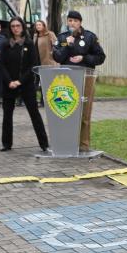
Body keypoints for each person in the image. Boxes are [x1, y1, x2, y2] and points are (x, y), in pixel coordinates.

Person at [52, 10, 105, 152]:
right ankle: (67, 142)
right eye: (70, 20)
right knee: (67, 111)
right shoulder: (63, 38)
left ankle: (84, 144)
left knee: (85, 113)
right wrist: (67, 45)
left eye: (75, 21)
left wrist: (84, 58)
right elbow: (56, 57)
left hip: (86, 78)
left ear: (80, 22)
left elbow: (100, 57)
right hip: (66, 80)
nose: (72, 23)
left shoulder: (89, 37)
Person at [0, 17, 49, 153]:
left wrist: (20, 81)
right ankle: (6, 144)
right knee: (7, 115)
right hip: (9, 85)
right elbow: (1, 65)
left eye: (18, 25)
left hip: (25, 84)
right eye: (13, 26)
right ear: (10, 28)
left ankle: (44, 144)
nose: (15, 28)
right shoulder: (5, 44)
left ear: (22, 27)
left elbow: (33, 65)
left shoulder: (29, 43)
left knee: (34, 114)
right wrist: (9, 81)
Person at [33, 20, 56, 107]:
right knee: (36, 82)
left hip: (47, 62)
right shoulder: (35, 35)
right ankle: (34, 101)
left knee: (45, 82)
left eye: (39, 25)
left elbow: (56, 45)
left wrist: (52, 54)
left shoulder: (50, 34)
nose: (38, 26)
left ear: (43, 25)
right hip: (36, 62)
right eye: (36, 25)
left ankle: (44, 101)